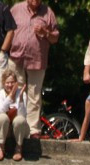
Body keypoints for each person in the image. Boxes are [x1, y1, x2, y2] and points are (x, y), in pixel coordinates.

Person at [8, 0, 58, 137]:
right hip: (16, 57)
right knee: (15, 93)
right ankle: (16, 126)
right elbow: (6, 30)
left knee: (34, 96)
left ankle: (33, 129)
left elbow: (55, 38)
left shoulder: (48, 13)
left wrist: (45, 32)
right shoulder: (16, 9)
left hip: (37, 59)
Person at [0, 68, 28, 161]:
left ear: (16, 83)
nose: (10, 85)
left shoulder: (22, 93)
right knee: (2, 117)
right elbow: (0, 111)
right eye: (7, 83)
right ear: (3, 83)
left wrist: (20, 99)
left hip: (17, 128)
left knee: (20, 119)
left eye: (12, 82)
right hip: (4, 128)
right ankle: (1, 147)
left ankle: (19, 148)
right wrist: (11, 96)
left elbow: (22, 115)